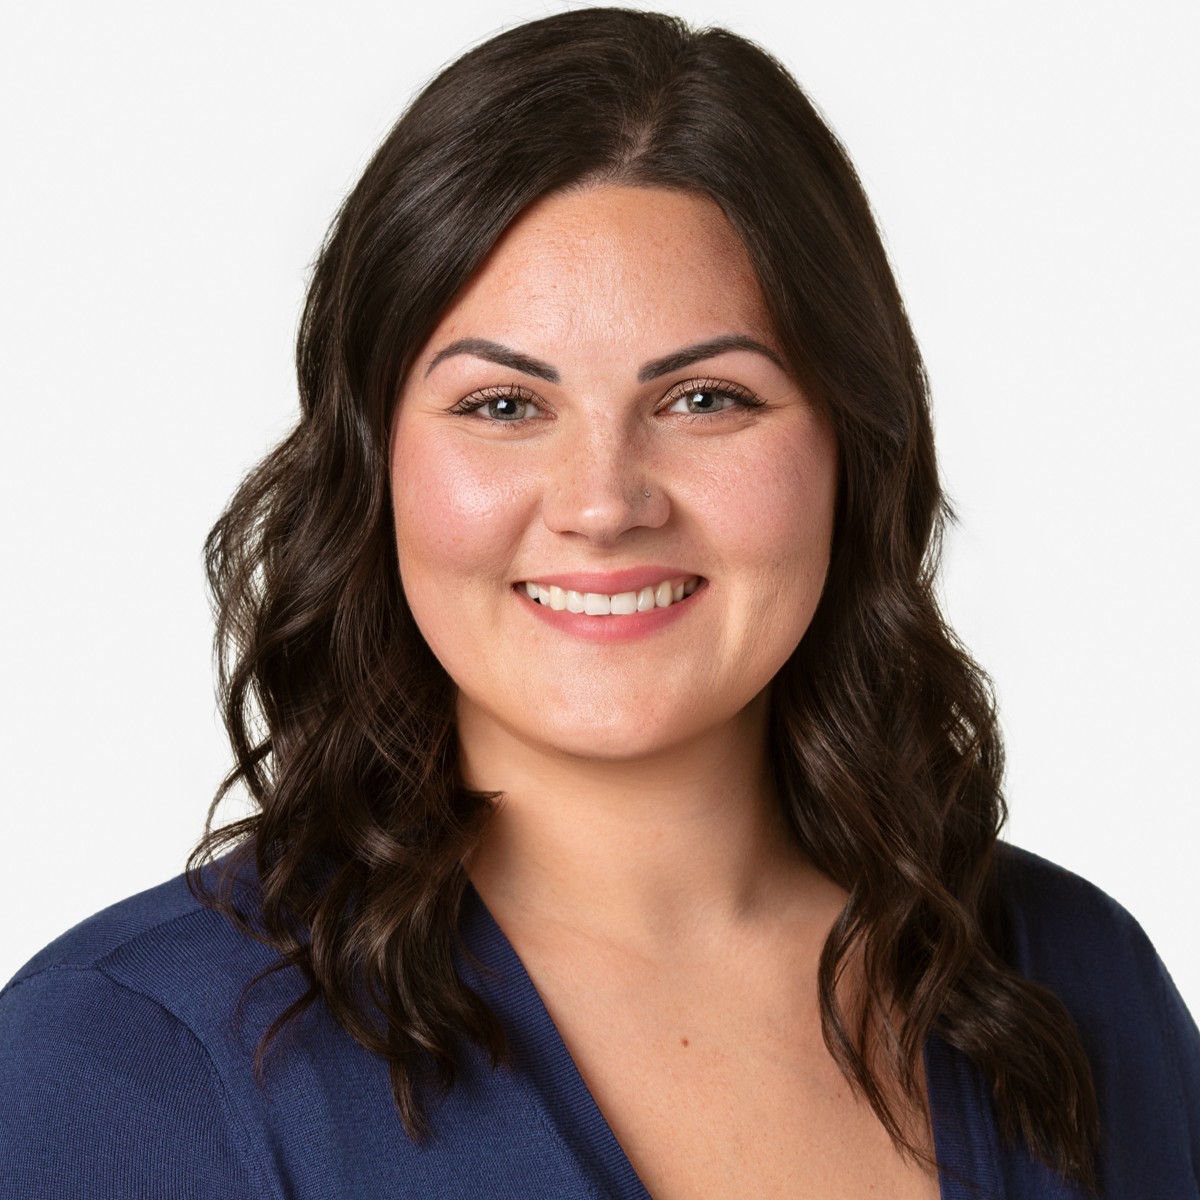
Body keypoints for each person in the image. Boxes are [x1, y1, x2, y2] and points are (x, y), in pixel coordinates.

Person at [1, 8, 1196, 1198]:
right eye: (504, 407)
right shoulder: (128, 1068)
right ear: (372, 465)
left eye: (707, 399)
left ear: (853, 445)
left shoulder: (1078, 984)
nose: (604, 504)